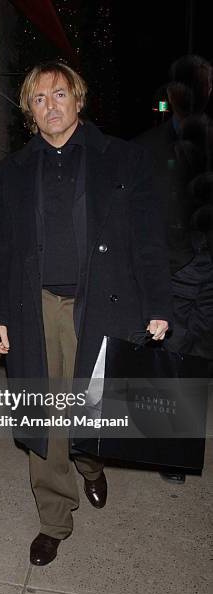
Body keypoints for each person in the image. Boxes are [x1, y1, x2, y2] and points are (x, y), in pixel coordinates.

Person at [0, 61, 172, 566]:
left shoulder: (123, 160)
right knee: (44, 413)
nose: (51, 105)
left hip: (105, 305)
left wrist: (158, 303)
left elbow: (148, 239)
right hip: (37, 308)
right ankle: (54, 518)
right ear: (29, 110)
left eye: (59, 93)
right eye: (39, 98)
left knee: (94, 410)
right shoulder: (11, 173)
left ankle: (91, 464)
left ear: (78, 99)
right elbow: (0, 250)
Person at [135, 55, 213, 484]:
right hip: (173, 272)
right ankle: (175, 453)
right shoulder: (145, 149)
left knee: (200, 360)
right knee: (177, 360)